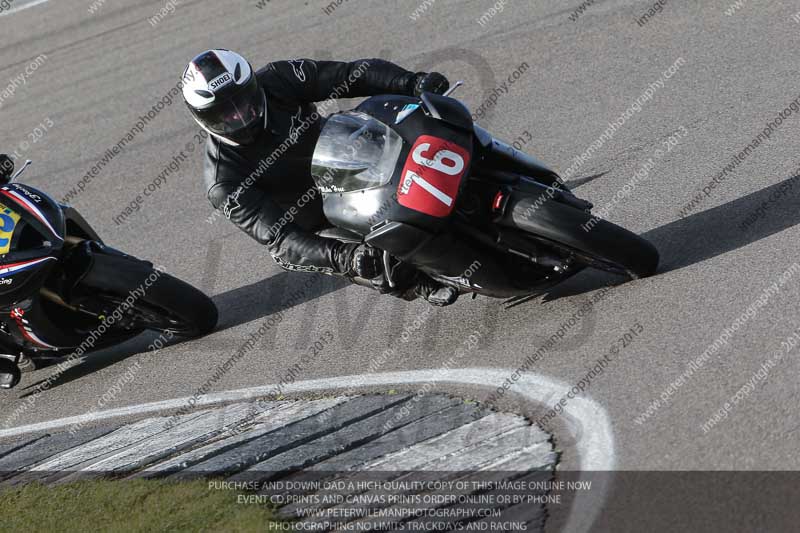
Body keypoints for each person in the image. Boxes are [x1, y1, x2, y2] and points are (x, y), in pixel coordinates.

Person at [182, 49, 459, 306]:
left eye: (243, 102)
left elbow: (350, 75)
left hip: (353, 154)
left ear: (254, 86)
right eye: (224, 114)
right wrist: (344, 258)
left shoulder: (279, 78)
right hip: (320, 214)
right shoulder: (223, 181)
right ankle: (422, 282)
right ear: (202, 118)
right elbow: (280, 240)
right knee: (377, 265)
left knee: (425, 124)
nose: (239, 117)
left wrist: (411, 82)